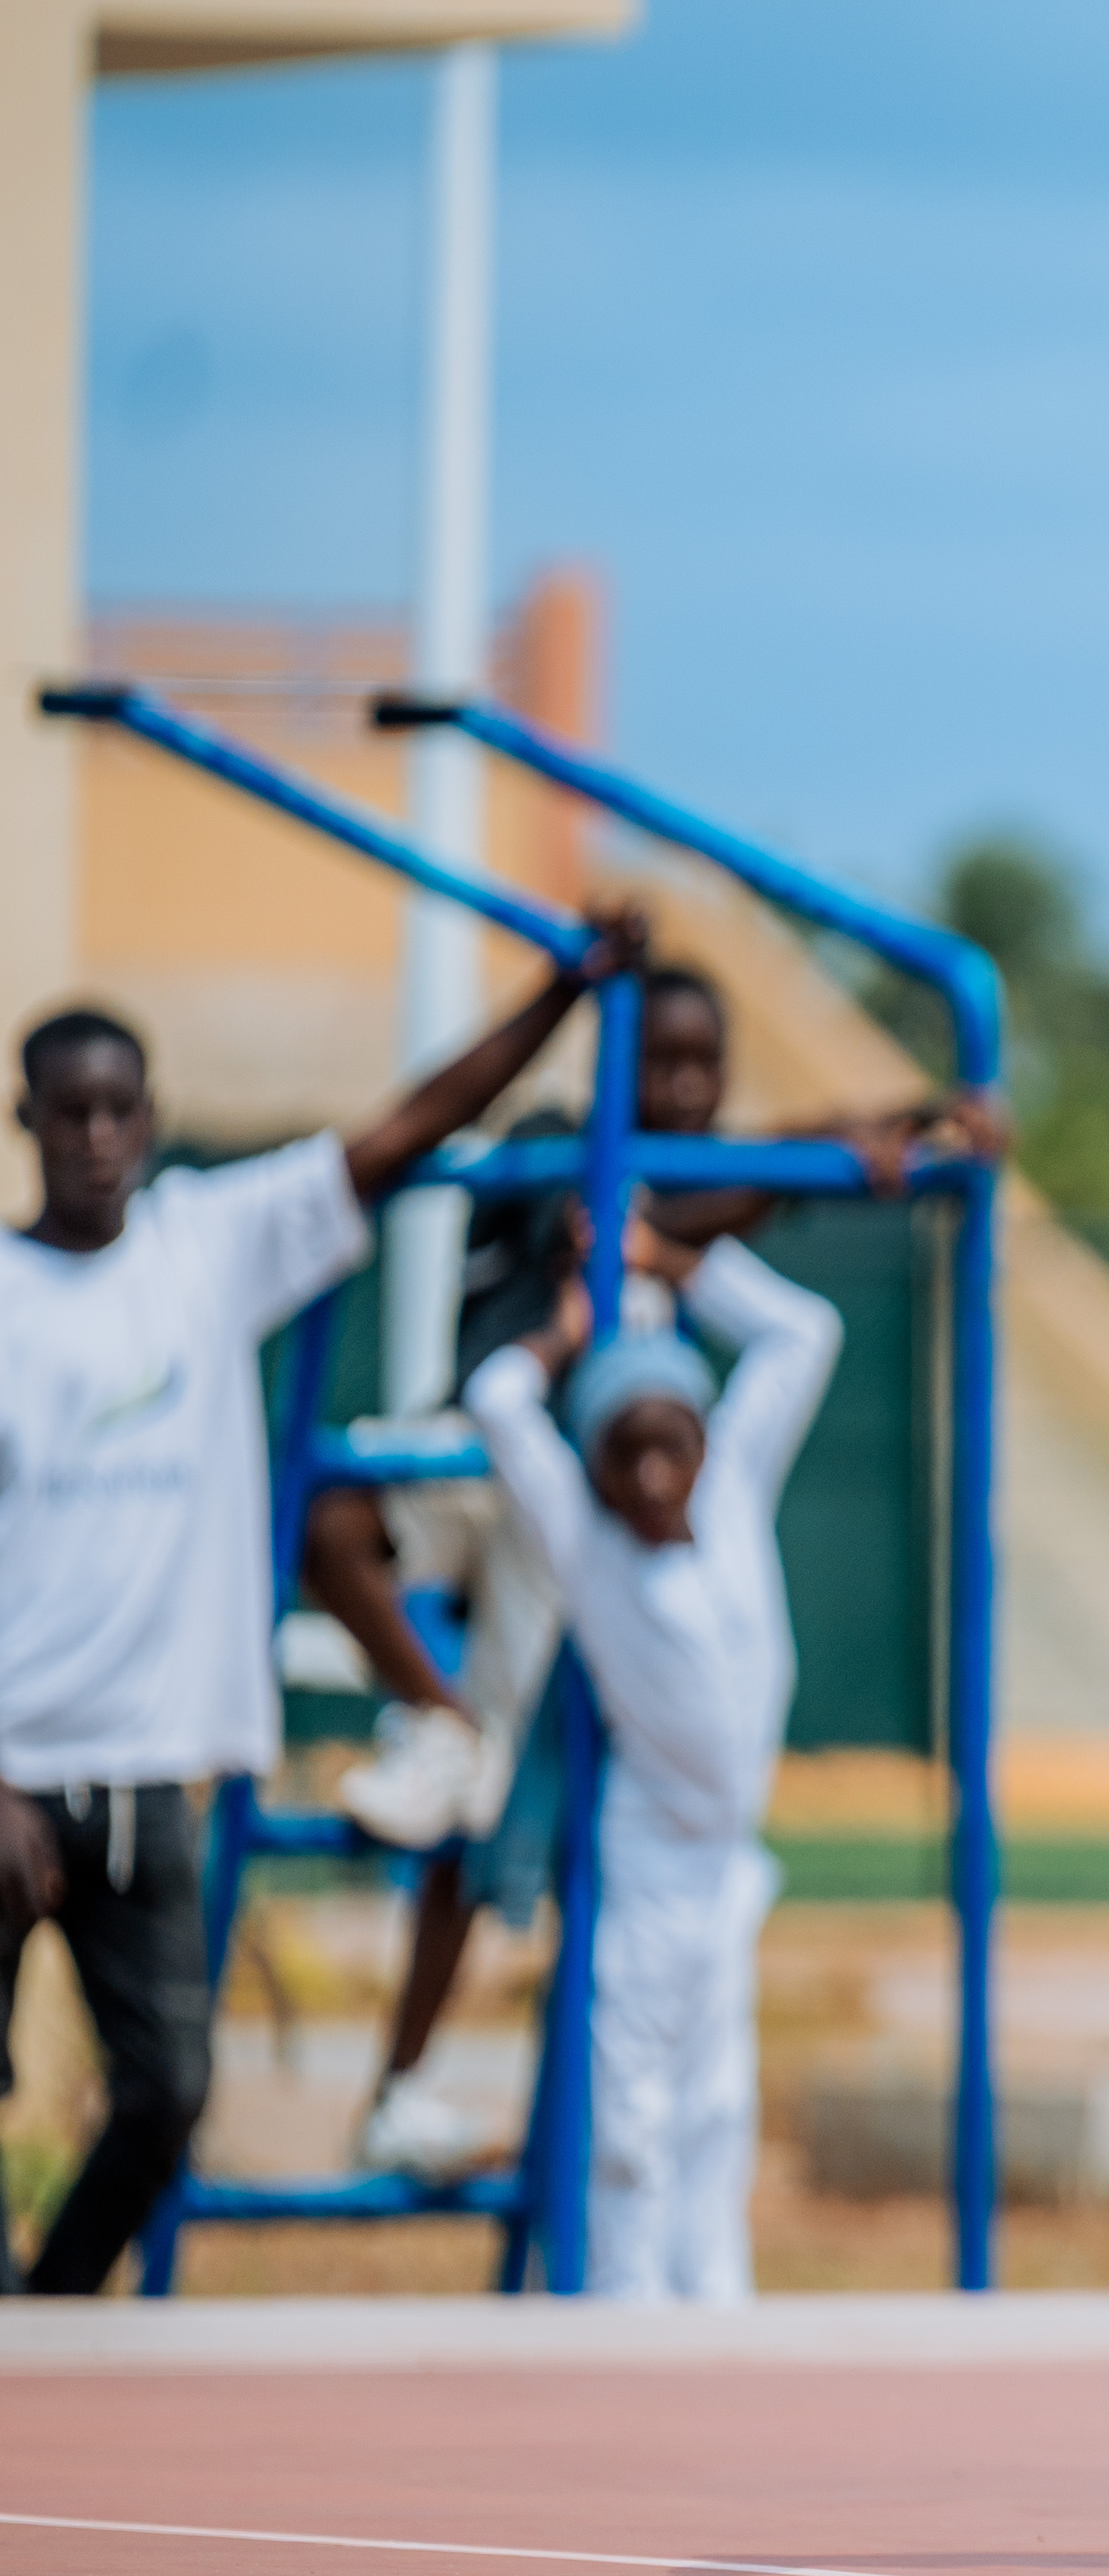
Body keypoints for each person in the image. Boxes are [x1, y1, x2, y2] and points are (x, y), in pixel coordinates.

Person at [0, 921, 640, 2294]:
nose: (97, 1136)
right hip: (9, 1766)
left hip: (146, 1768)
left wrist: (562, 993)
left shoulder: (204, 1244)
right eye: (69, 1112)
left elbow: (406, 1127)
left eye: (118, 1109)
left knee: (167, 2092)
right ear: (26, 1121)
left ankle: (44, 2316)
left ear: (151, 1117)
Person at [324, 955, 991, 2177]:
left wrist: (900, 1126)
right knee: (348, 1548)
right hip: (499, 1467)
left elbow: (740, 1210)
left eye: (704, 1066)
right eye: (660, 1062)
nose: (683, 1086)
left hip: (582, 1538)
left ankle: (447, 2079)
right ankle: (435, 1719)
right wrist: (830, 1158)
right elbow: (686, 1204)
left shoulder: (695, 1200)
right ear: (616, 1065)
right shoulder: (563, 1150)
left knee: (506, 1826)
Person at [463, 1216, 841, 2303]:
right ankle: (623, 2302)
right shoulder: (587, 1541)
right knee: (629, 2100)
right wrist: (565, 1332)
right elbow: (497, 1401)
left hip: (728, 1856)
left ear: (707, 1437)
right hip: (652, 1850)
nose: (653, 1473)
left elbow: (804, 1333)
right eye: (624, 1453)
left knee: (718, 2096)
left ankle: (711, 2299)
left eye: (671, 1441)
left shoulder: (733, 1493)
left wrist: (666, 1258)